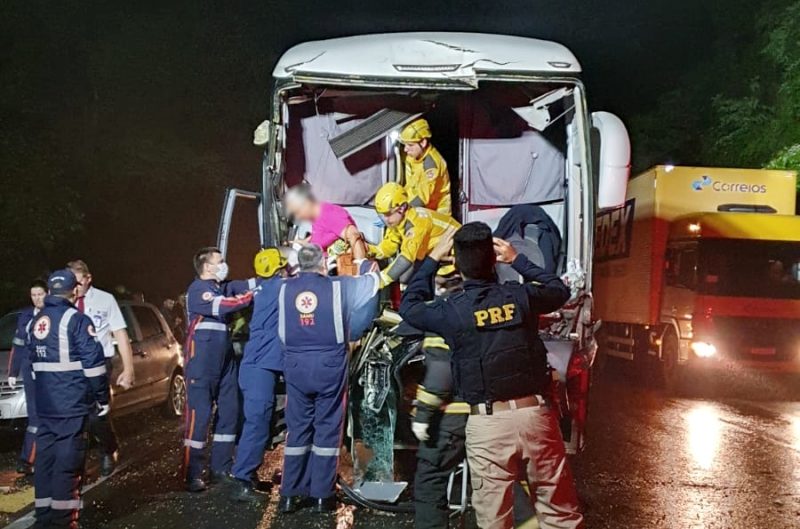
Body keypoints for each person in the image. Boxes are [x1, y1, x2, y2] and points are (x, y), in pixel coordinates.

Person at [399, 223, 584, 529]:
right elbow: (560, 291)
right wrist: (518, 260)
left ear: (457, 263)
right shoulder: (521, 297)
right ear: (494, 259)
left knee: (495, 521)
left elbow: (410, 307)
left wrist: (432, 258)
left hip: (487, 424)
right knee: (559, 514)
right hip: (535, 416)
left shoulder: (451, 311)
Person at [277, 244, 380, 513]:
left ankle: (289, 494)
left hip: (295, 365)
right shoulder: (339, 286)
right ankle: (322, 496)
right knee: (327, 428)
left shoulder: (283, 288)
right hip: (329, 365)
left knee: (297, 430)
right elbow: (373, 282)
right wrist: (363, 260)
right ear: (324, 263)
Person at [29, 269, 109, 529]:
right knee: (68, 463)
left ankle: (44, 518)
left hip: (45, 405)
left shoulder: (36, 320)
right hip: (71, 404)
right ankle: (64, 522)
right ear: (75, 291)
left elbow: (33, 365)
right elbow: (94, 366)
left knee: (45, 462)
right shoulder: (76, 320)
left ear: (50, 291)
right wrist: (101, 397)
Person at [183, 247, 255, 492]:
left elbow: (244, 284)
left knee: (229, 413)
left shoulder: (217, 287)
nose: (225, 265)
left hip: (224, 362)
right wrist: (249, 297)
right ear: (207, 267)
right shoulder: (198, 291)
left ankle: (221, 468)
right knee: (199, 418)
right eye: (220, 261)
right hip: (201, 365)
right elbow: (224, 305)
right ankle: (193, 473)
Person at [229, 248, 289, 502]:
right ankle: (241, 479)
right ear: (279, 269)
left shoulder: (262, 289)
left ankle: (248, 475)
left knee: (259, 422)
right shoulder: (279, 288)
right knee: (256, 423)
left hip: (258, 366)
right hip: (259, 367)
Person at [67, 259, 134, 477]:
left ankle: (109, 448)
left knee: (97, 413)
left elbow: (120, 333)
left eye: (78, 282)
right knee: (75, 413)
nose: (75, 288)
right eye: (71, 283)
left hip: (99, 362)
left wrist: (128, 368)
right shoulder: (65, 302)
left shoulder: (105, 300)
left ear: (88, 279)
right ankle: (77, 459)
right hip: (72, 364)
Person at [407, 328, 469, 529]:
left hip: (451, 418)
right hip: (489, 416)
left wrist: (423, 414)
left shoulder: (442, 319)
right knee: (498, 480)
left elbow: (441, 375)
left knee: (429, 479)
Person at [369, 182, 460, 286]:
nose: (385, 219)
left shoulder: (417, 223)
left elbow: (406, 259)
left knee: (431, 287)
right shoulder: (397, 220)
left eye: (387, 214)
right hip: (436, 256)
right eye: (381, 215)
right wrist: (370, 250)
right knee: (407, 280)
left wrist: (378, 281)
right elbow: (390, 245)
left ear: (402, 208)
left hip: (455, 257)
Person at [7, 279, 47, 475]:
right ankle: (27, 460)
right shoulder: (25, 316)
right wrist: (13, 372)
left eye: (40, 294)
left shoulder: (53, 315)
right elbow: (18, 345)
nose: (37, 298)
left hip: (49, 374)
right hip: (30, 373)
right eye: (34, 295)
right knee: (35, 418)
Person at [284, 183, 367, 260]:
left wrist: (361, 267)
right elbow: (323, 235)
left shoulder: (329, 214)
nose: (298, 217)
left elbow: (354, 236)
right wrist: (304, 242)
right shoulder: (315, 218)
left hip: (342, 268)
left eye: (297, 212)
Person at [399, 118, 451, 216]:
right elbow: (410, 185)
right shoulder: (413, 156)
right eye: (404, 145)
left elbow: (422, 198)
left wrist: (399, 212)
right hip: (417, 209)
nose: (406, 149)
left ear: (423, 142)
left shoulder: (431, 165)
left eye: (410, 145)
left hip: (435, 214)